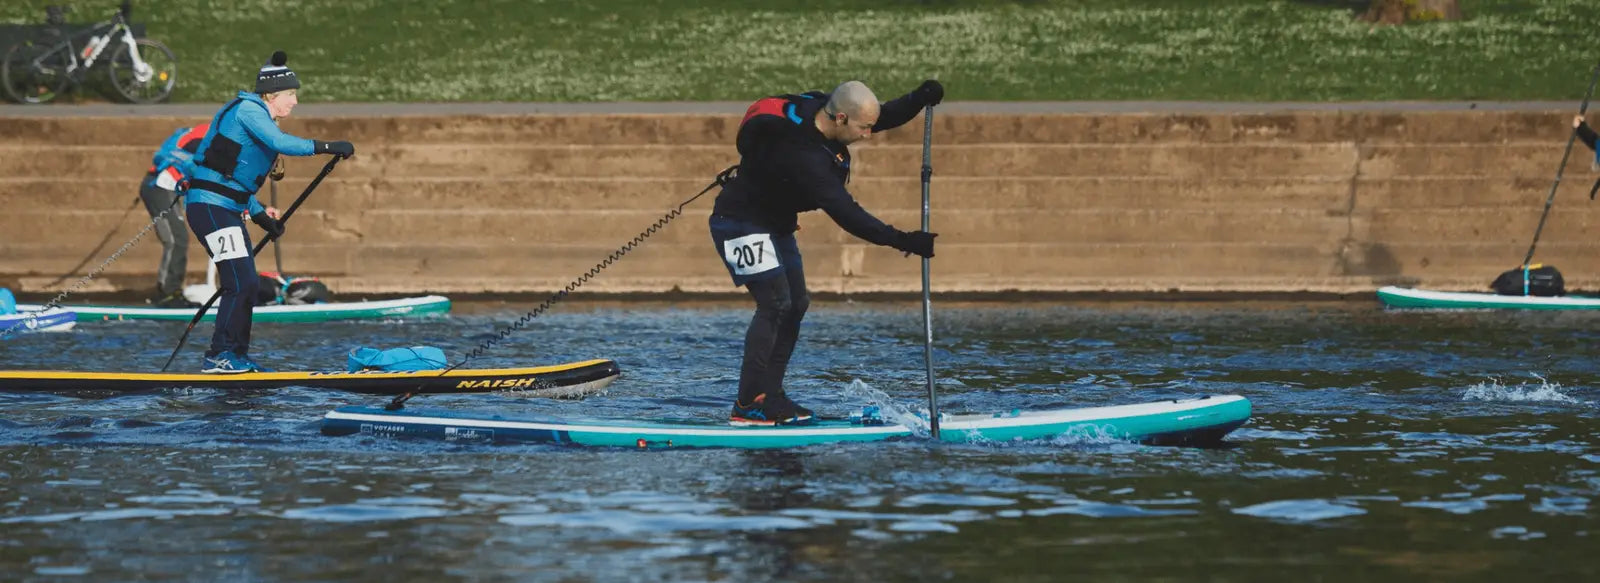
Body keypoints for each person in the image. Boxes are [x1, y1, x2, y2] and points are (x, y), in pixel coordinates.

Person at [709, 79, 943, 425]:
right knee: (775, 304)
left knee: (796, 303)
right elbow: (849, 216)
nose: (868, 135)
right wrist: (904, 240)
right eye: (863, 128)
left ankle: (770, 395)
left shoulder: (823, 109)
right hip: (739, 223)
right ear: (841, 118)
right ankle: (748, 403)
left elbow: (881, 116)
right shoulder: (807, 159)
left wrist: (920, 98)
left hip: (774, 222)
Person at [184, 50, 354, 373]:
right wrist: (328, 147)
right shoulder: (249, 110)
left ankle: (236, 354)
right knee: (240, 281)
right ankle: (219, 354)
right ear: (272, 95)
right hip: (208, 208)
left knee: (246, 283)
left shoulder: (255, 114)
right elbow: (282, 142)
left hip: (226, 207)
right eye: (291, 94)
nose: (295, 102)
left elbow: (235, 183)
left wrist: (262, 218)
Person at [141, 122, 210, 308]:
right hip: (159, 187)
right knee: (176, 239)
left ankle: (172, 291)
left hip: (173, 188)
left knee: (180, 238)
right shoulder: (206, 135)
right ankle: (167, 294)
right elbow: (165, 154)